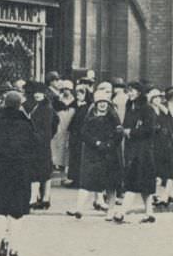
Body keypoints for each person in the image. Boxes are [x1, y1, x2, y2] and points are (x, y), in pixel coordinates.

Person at [0, 91, 38, 256]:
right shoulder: (26, 124)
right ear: (19, 104)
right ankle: (15, 247)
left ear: (4, 104)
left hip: (0, 170)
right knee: (17, 210)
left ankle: (4, 237)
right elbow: (35, 147)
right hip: (20, 172)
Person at [66, 89, 122, 220]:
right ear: (96, 103)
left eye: (105, 102)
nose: (102, 104)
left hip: (109, 154)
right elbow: (84, 133)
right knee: (86, 181)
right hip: (93, 154)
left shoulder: (113, 117)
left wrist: (109, 144)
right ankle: (79, 208)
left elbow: (119, 134)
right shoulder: (90, 117)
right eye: (100, 102)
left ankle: (111, 210)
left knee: (110, 184)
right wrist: (96, 143)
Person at [113, 81, 157, 223]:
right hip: (133, 148)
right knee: (145, 183)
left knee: (132, 181)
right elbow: (127, 123)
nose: (129, 93)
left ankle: (121, 212)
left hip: (143, 150)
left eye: (132, 91)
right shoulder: (130, 106)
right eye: (128, 90)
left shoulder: (147, 109)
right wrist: (123, 129)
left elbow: (150, 130)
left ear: (139, 92)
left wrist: (131, 131)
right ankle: (149, 213)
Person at [25, 82, 58, 210]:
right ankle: (41, 197)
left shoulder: (46, 108)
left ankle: (41, 197)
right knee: (41, 170)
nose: (37, 95)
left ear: (44, 94)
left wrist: (45, 136)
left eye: (40, 93)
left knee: (41, 170)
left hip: (41, 142)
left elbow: (53, 125)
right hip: (37, 143)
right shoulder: (35, 106)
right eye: (36, 93)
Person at [149, 89, 173, 207]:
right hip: (154, 143)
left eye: (159, 97)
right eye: (155, 98)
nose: (158, 100)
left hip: (164, 143)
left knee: (164, 169)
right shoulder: (150, 111)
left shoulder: (162, 110)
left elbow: (169, 122)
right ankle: (154, 194)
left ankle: (163, 194)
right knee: (155, 169)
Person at [66, 85, 91, 187]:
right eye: (78, 93)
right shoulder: (76, 104)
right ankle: (74, 179)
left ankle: (80, 180)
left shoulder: (88, 106)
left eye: (82, 93)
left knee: (81, 157)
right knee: (74, 157)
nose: (79, 95)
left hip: (82, 136)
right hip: (75, 135)